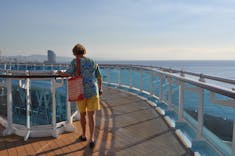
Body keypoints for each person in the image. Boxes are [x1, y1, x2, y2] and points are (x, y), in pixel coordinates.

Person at [58, 43, 103, 148]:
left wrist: (61, 73)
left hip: (81, 92)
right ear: (84, 51)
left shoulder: (75, 62)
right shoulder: (93, 61)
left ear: (74, 53)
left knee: (83, 115)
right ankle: (92, 138)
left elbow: (68, 73)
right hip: (93, 91)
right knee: (92, 116)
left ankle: (84, 135)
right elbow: (99, 77)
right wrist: (100, 88)